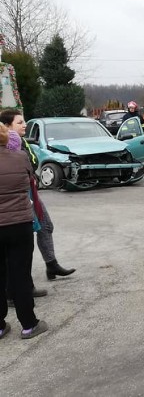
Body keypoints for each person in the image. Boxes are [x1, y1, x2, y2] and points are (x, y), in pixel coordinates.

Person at [0, 109, 75, 285]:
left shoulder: (21, 142)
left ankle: (51, 264)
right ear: (7, 126)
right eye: (19, 122)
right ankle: (21, 286)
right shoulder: (10, 147)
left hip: (30, 191)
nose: (25, 125)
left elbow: (33, 163)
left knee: (45, 226)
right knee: (20, 241)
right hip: (21, 195)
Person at [0, 124, 49, 339]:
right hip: (20, 224)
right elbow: (31, 178)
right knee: (20, 274)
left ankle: (0, 326)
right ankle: (29, 324)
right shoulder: (20, 157)